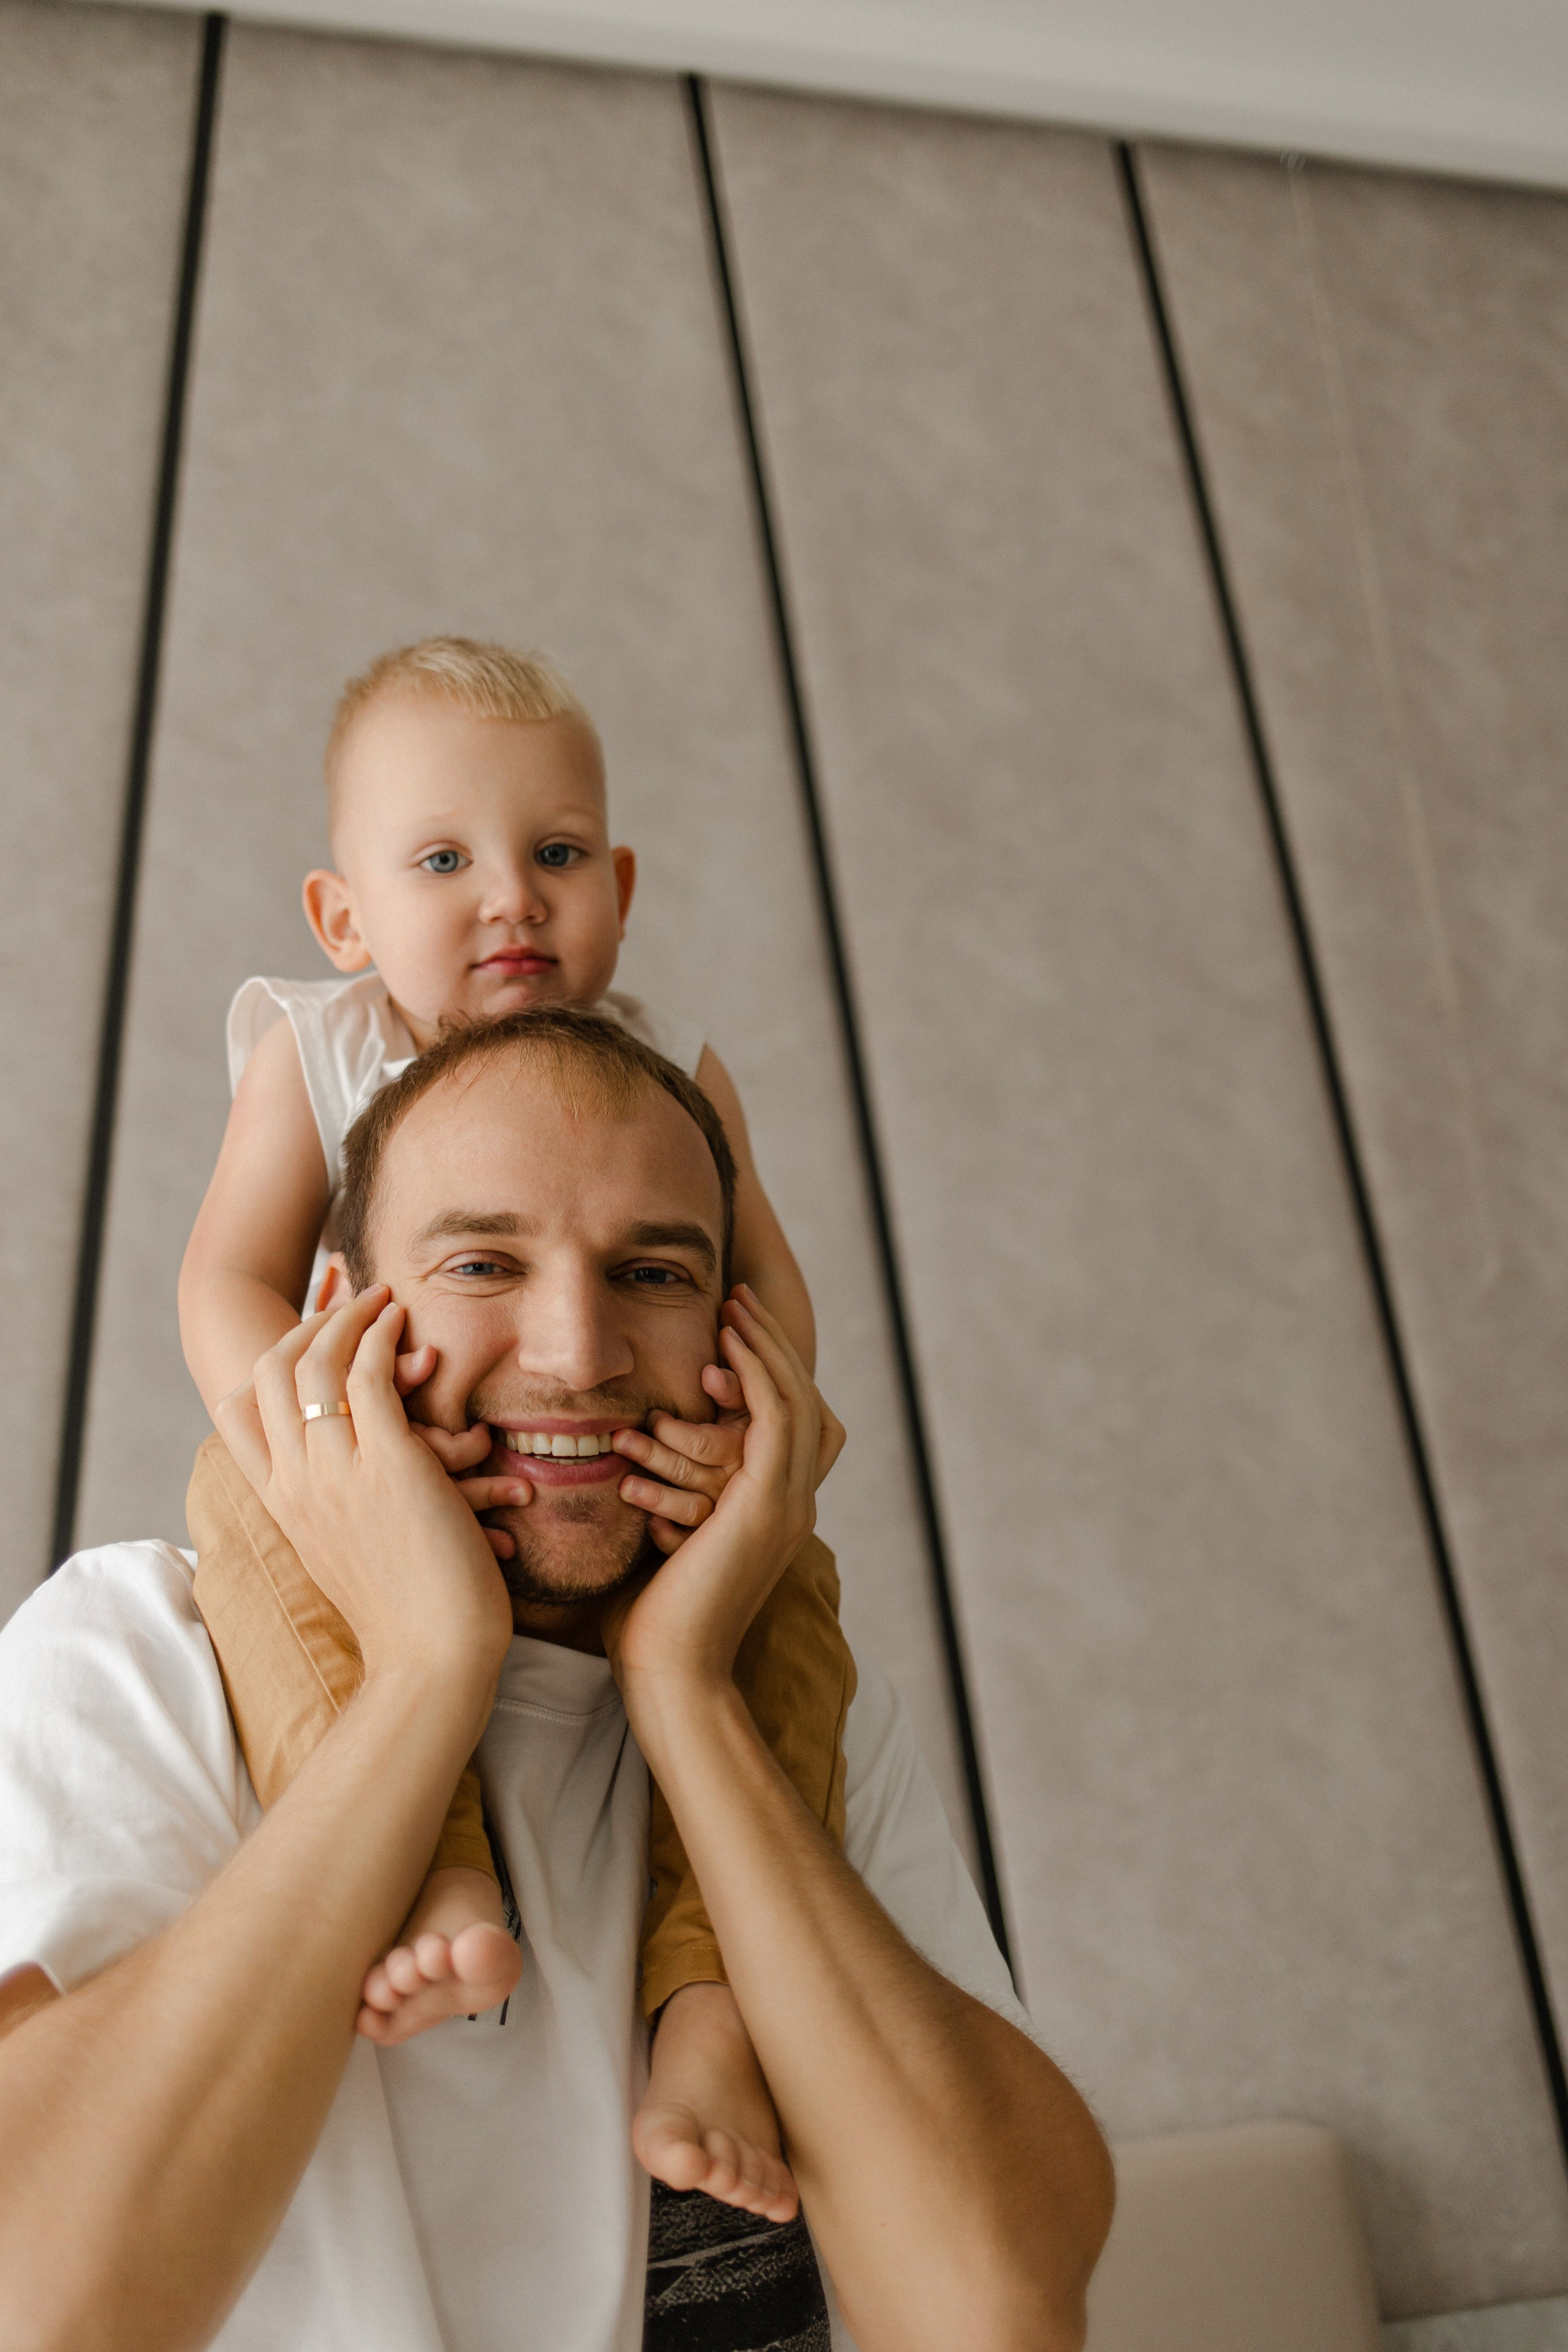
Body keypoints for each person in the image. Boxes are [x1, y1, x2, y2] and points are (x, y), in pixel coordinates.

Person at [0, 1009, 1113, 2352]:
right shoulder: (133, 1647)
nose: (577, 1352)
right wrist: (424, 1668)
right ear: (339, 1315)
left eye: (650, 1273)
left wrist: (687, 1692)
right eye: (482, 1262)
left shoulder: (791, 1710)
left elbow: (989, 2312)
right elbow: (45, 2308)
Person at [176, 636, 855, 2216]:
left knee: (789, 1611)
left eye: (557, 855)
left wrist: (759, 1450)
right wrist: (299, 1434)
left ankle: (708, 2003)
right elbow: (227, 1274)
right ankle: (429, 1862)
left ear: (618, 879)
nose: (511, 898)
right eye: (443, 860)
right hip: (383, 1476)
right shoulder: (321, 1043)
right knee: (244, 1514)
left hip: (614, 1489)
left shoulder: (667, 1067)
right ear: (344, 917)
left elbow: (768, 1290)